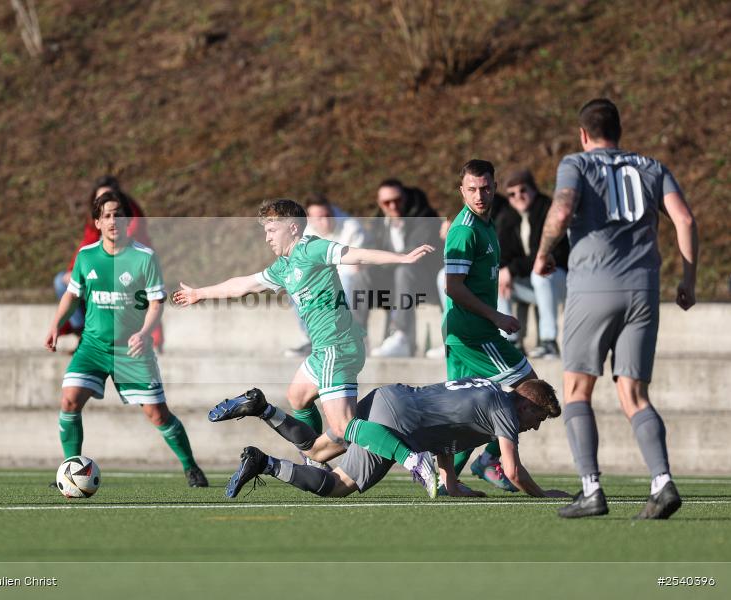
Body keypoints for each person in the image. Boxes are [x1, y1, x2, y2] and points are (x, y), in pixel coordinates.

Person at [173, 198, 440, 494]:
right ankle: (316, 463)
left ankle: (415, 459)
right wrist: (200, 293)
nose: (267, 236)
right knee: (298, 396)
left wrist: (401, 259)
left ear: (292, 227)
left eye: (272, 229)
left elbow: (356, 255)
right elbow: (244, 284)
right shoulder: (284, 266)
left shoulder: (312, 248)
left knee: (342, 427)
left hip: (335, 348)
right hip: (324, 350)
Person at [534, 98, 698, 519]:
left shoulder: (577, 163)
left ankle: (590, 488)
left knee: (576, 391)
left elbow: (563, 208)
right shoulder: (652, 166)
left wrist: (544, 251)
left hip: (593, 288)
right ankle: (662, 481)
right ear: (619, 131)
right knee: (634, 393)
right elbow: (685, 219)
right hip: (643, 289)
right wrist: (688, 280)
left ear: (583, 134)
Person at [45, 191, 207, 487]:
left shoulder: (143, 257)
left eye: (118, 214)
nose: (113, 220)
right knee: (69, 401)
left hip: (131, 351)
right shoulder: (86, 256)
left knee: (157, 414)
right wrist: (56, 324)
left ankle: (191, 466)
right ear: (97, 222)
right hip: (93, 347)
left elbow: (157, 302)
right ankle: (71, 469)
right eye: (106, 215)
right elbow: (72, 294)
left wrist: (144, 334)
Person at [224, 377, 569, 500]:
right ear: (525, 403)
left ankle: (263, 408)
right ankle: (264, 463)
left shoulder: (486, 388)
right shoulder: (506, 411)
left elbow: (448, 430)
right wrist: (543, 494)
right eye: (538, 417)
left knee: (318, 448)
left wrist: (451, 483)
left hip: (390, 396)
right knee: (338, 485)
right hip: (399, 424)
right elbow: (512, 471)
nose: (536, 426)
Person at [443, 159, 540, 493]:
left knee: (465, 410)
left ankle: (447, 480)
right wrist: (496, 316)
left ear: (495, 187)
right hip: (473, 335)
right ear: (462, 191)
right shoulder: (465, 229)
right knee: (531, 387)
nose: (479, 194)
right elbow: (453, 286)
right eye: (472, 189)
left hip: (462, 333)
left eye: (485, 187)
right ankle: (490, 458)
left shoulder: (486, 224)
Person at [53, 176, 162, 349]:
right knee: (61, 281)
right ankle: (85, 335)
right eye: (99, 200)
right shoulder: (95, 221)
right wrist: (74, 272)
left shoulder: (128, 220)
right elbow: (86, 247)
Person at [282, 194, 369, 357]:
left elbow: (354, 268)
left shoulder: (351, 227)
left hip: (354, 279)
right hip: (322, 279)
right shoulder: (303, 233)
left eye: (328, 215)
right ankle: (314, 340)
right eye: (319, 218)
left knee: (346, 282)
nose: (326, 221)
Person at [495, 169, 569, 358]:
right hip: (529, 286)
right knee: (497, 278)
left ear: (533, 189)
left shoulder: (548, 210)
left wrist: (512, 269)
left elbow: (546, 254)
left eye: (523, 190)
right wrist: (505, 271)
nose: (518, 197)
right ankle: (510, 342)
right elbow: (502, 253)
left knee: (540, 274)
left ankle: (549, 341)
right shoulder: (508, 217)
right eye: (512, 194)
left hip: (558, 280)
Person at [369, 180, 443, 357]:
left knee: (405, 271)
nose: (393, 205)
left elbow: (413, 255)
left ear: (405, 197)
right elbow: (371, 253)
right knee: (360, 276)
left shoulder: (424, 218)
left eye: (398, 200)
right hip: (391, 281)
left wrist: (381, 260)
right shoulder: (379, 224)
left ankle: (401, 336)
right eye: (387, 202)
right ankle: (355, 339)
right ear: (380, 203)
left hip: (425, 281)